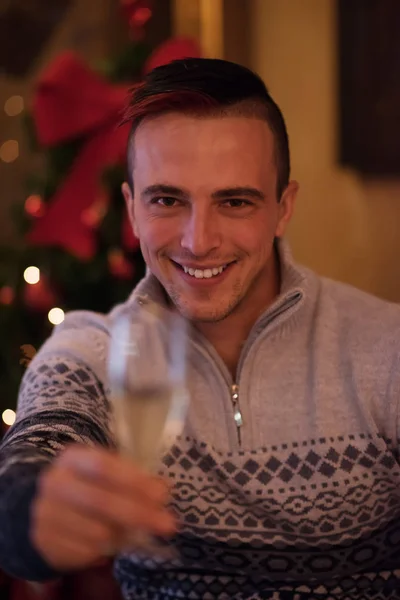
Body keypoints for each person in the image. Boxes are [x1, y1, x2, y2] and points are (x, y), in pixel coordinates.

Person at [1, 57, 400, 600]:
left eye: (235, 201)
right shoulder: (91, 347)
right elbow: (33, 456)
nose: (199, 241)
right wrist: (30, 507)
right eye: (167, 199)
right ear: (132, 210)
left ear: (283, 209)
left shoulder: (387, 349)